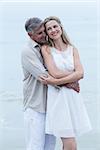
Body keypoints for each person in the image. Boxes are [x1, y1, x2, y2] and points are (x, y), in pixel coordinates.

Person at [21, 17, 80, 150]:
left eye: (44, 31)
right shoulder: (28, 51)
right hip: (36, 107)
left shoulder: (45, 48)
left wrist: (76, 75)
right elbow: (45, 76)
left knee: (49, 146)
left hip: (50, 106)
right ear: (30, 35)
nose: (44, 35)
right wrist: (72, 80)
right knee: (35, 146)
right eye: (40, 33)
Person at [40, 16, 92, 150]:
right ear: (47, 33)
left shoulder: (72, 49)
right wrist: (72, 78)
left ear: (61, 28)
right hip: (58, 99)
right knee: (71, 144)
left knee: (68, 143)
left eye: (55, 26)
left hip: (73, 98)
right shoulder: (46, 49)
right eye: (49, 29)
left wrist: (56, 81)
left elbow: (81, 73)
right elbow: (55, 72)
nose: (53, 30)